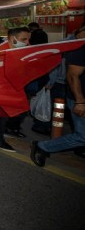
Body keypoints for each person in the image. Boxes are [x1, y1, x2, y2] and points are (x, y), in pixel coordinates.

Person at [31, 27, 85, 166]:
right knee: (82, 136)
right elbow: (71, 75)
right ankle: (44, 146)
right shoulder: (78, 46)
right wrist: (79, 101)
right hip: (79, 98)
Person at [0, 27, 32, 152]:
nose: (26, 42)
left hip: (15, 88)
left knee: (21, 111)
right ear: (12, 38)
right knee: (1, 115)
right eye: (23, 39)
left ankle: (3, 126)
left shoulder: (23, 50)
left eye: (28, 39)